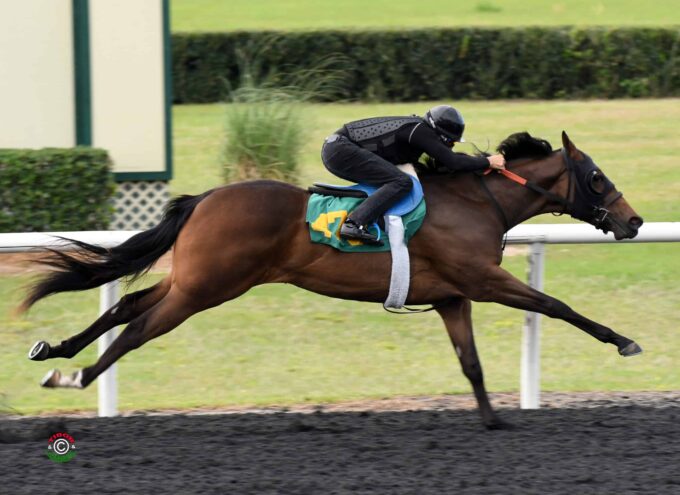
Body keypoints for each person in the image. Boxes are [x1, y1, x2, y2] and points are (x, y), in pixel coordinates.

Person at [321, 104, 506, 245]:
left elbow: (446, 161)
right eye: (450, 141)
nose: (451, 145)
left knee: (397, 180)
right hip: (340, 150)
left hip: (337, 148)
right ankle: (353, 223)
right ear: (440, 133)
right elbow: (453, 162)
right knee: (401, 182)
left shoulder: (418, 129)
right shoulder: (420, 131)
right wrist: (489, 161)